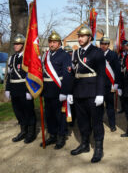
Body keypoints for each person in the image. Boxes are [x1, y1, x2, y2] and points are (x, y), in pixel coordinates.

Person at [68, 26, 106, 163]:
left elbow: (101, 74)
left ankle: (98, 148)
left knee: (96, 121)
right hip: (78, 92)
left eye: (83, 36)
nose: (79, 38)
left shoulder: (97, 52)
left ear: (89, 38)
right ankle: (84, 145)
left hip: (93, 92)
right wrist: (70, 92)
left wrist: (100, 94)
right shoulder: (75, 53)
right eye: (79, 36)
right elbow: (73, 74)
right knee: (82, 121)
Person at [41, 30, 72, 149]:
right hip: (47, 90)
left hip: (58, 90)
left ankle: (61, 136)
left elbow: (67, 75)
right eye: (50, 42)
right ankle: (52, 135)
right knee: (49, 115)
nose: (51, 44)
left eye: (54, 42)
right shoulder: (45, 55)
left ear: (59, 43)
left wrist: (64, 91)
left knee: (60, 115)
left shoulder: (64, 55)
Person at [5, 34, 36, 143]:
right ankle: (23, 131)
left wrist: (30, 91)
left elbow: (32, 75)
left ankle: (31, 133)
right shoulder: (12, 58)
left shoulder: (28, 58)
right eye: (15, 44)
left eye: (18, 44)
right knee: (18, 112)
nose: (15, 46)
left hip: (25, 88)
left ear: (23, 45)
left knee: (28, 111)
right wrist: (7, 89)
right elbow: (9, 75)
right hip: (14, 89)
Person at [99, 37, 121, 132]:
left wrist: (116, 83)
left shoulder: (113, 55)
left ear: (108, 45)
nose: (103, 46)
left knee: (110, 107)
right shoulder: (97, 54)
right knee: (99, 106)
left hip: (109, 85)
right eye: (101, 44)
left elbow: (117, 70)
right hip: (99, 85)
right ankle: (99, 123)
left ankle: (112, 124)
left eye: (105, 44)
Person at [117, 40, 128, 114]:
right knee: (121, 93)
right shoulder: (120, 54)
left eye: (126, 45)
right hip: (121, 76)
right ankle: (123, 107)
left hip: (127, 76)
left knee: (127, 93)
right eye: (123, 46)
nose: (124, 47)